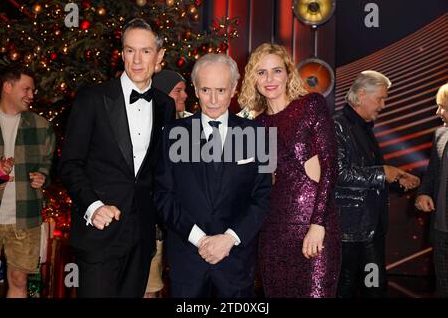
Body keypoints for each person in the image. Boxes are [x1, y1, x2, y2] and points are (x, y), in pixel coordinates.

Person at [60, 18, 175, 297]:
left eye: (145, 51)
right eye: (130, 50)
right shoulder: (92, 98)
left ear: (159, 56)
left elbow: (163, 170)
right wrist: (93, 206)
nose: (137, 60)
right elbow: (69, 163)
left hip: (142, 236)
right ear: (122, 53)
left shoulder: (165, 105)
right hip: (99, 233)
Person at [154, 53, 272, 298]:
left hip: (236, 262)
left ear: (233, 89)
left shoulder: (259, 134)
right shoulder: (171, 133)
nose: (214, 100)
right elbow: (163, 195)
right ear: (195, 90)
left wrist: (229, 239)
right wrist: (199, 239)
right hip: (188, 260)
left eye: (221, 90)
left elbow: (264, 197)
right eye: (206, 90)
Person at [238, 43, 340, 298]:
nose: (269, 79)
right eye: (261, 72)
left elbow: (329, 167)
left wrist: (318, 224)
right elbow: (258, 182)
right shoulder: (256, 125)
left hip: (314, 228)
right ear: (253, 78)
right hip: (273, 232)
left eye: (276, 71)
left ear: (288, 74)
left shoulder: (311, 105)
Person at [333, 70, 420, 298]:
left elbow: (370, 172)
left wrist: (399, 179)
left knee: (374, 288)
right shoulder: (338, 127)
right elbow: (339, 175)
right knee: (350, 289)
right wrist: (383, 173)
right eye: (380, 98)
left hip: (370, 229)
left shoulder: (363, 127)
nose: (383, 105)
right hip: (350, 233)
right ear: (361, 95)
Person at [0, 65, 55, 298]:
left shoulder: (42, 127)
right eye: (26, 89)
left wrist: (44, 177)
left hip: (26, 216)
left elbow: (48, 167)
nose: (31, 95)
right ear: (7, 87)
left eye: (33, 90)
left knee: (19, 279)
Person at [142, 70, 191, 298]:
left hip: (184, 225)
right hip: (152, 224)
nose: (185, 96)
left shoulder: (191, 126)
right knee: (148, 287)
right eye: (178, 91)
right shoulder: (145, 127)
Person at [415, 82, 448, 297]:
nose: (438, 112)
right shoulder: (440, 135)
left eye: (443, 106)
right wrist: (423, 193)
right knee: (443, 287)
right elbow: (432, 174)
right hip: (440, 229)